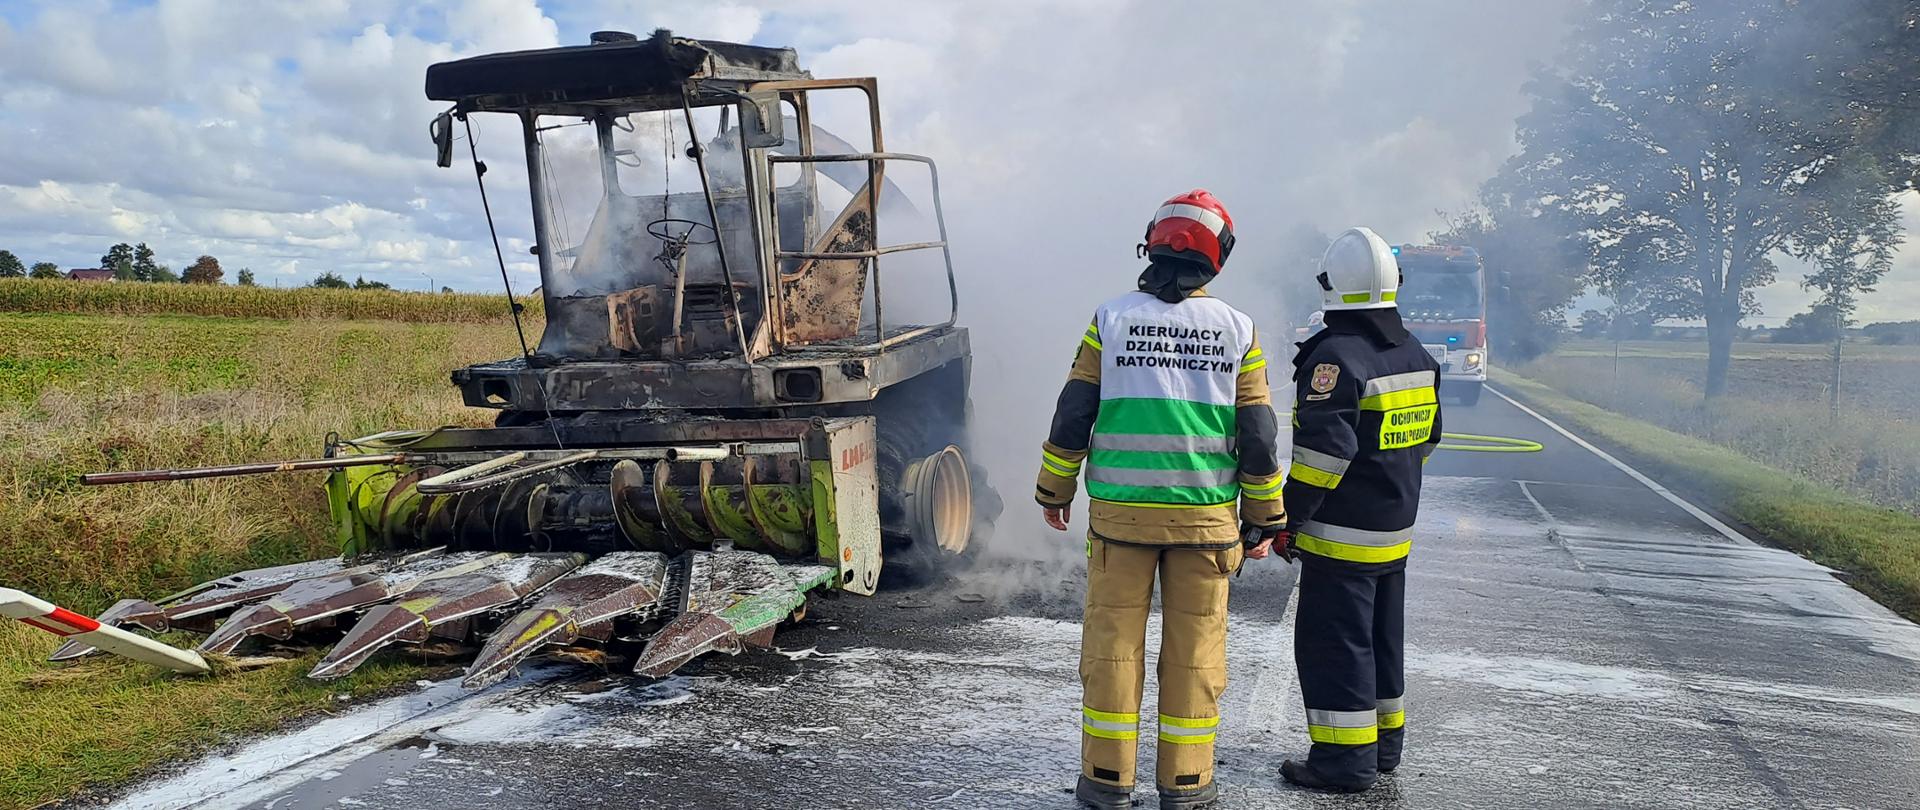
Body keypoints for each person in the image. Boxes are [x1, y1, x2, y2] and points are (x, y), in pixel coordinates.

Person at [1036, 189, 1285, 810]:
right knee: (1196, 656)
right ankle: (1186, 784)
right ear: (1216, 257)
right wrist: (1263, 519)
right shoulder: (1239, 330)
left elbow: (1074, 412)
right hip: (1204, 526)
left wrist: (1054, 487)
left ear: (1152, 244)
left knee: (1112, 650)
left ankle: (1105, 780)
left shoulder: (1110, 319)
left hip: (1120, 522)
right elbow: (1257, 437)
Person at [1273, 227, 1442, 793]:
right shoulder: (1414, 351)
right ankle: (1383, 746)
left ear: (1329, 287)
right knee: (1381, 639)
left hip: (1342, 538)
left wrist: (1285, 518)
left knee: (1336, 644)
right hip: (1394, 532)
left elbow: (1325, 455)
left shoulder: (1335, 357)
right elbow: (1429, 437)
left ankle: (1344, 764)